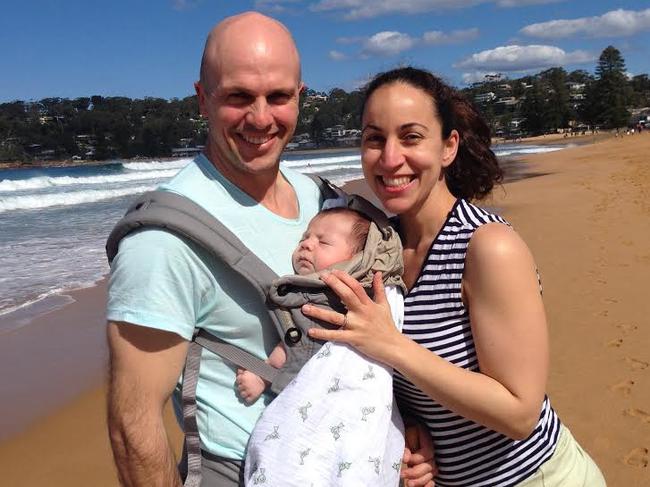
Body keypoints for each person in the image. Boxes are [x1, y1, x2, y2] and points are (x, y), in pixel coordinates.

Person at [105, 13, 435, 487]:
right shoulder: (162, 242)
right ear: (202, 99)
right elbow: (131, 427)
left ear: (300, 96)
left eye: (278, 97)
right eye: (238, 96)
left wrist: (404, 436)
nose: (261, 118)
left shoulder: (326, 202)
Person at [304, 67, 606, 487]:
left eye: (411, 137)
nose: (391, 158)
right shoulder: (380, 249)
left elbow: (519, 413)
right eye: (375, 138)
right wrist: (413, 435)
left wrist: (391, 345)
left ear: (448, 147)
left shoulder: (486, 246)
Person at [239, 207, 406, 485]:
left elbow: (297, 345)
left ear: (356, 258)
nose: (306, 244)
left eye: (323, 242)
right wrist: (263, 374)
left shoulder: (343, 297)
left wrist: (263, 374)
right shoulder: (309, 292)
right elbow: (298, 340)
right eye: (305, 237)